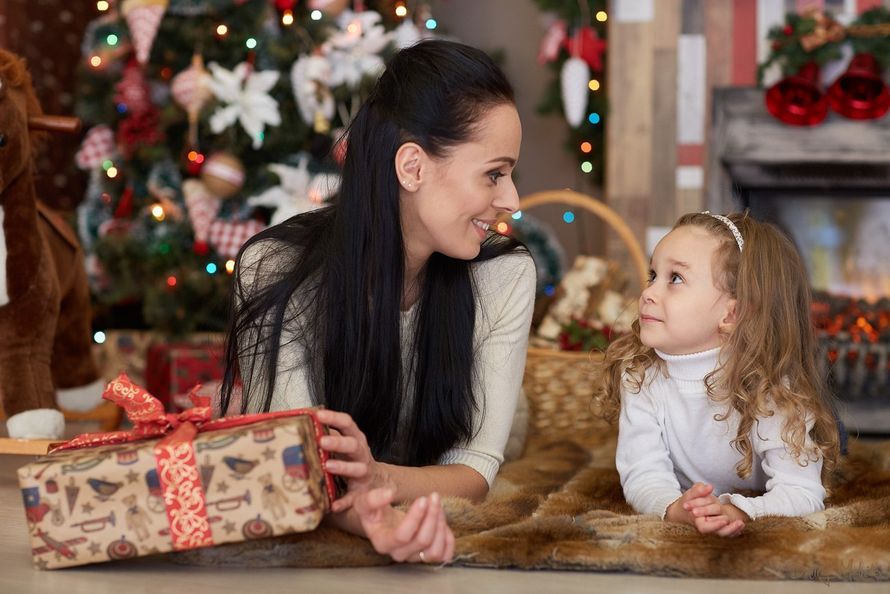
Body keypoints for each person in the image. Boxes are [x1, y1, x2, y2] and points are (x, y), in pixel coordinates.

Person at [220, 40, 536, 563]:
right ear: (412, 167)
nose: (512, 201)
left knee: (516, 428)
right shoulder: (273, 269)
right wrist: (375, 520)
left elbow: (476, 467)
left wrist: (376, 481)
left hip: (469, 429)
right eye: (495, 174)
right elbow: (302, 466)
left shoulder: (504, 274)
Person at [592, 212, 840, 538]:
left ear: (732, 314)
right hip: (691, 487)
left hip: (783, 419)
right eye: (653, 275)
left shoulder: (771, 390)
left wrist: (741, 509)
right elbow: (643, 473)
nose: (649, 293)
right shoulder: (639, 377)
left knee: (829, 443)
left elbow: (803, 492)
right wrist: (671, 507)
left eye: (676, 278)